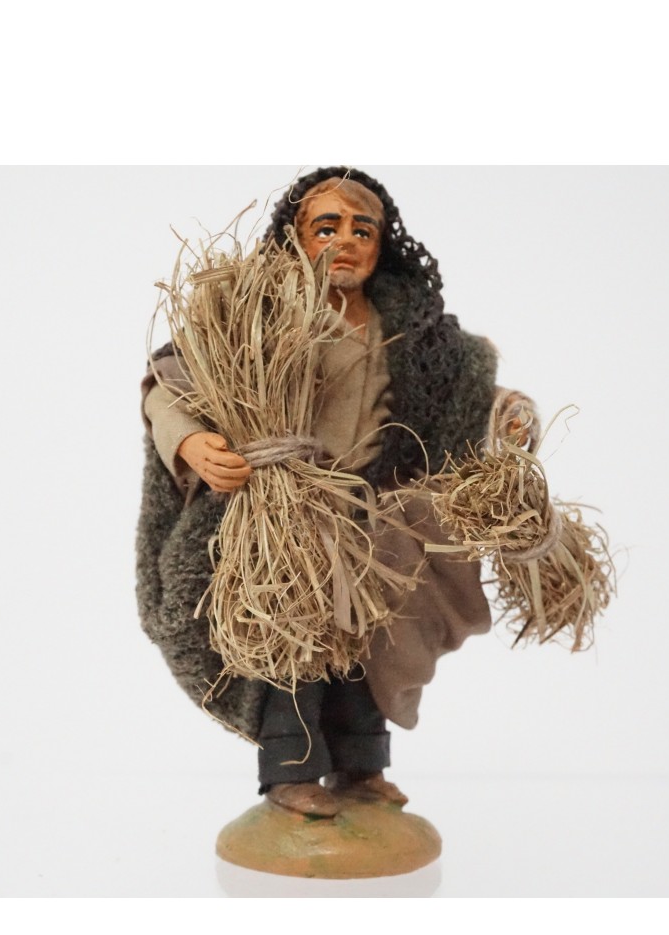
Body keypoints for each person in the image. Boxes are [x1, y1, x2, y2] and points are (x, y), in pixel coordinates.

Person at [137, 167, 537, 817]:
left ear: (382, 244)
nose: (345, 241)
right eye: (327, 227)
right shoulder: (253, 315)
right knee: (291, 642)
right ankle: (291, 771)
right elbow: (170, 384)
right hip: (285, 513)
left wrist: (506, 412)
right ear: (296, 237)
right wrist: (190, 442)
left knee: (365, 646)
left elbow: (459, 389)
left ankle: (360, 767)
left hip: (371, 515)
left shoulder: (412, 330)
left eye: (362, 229)